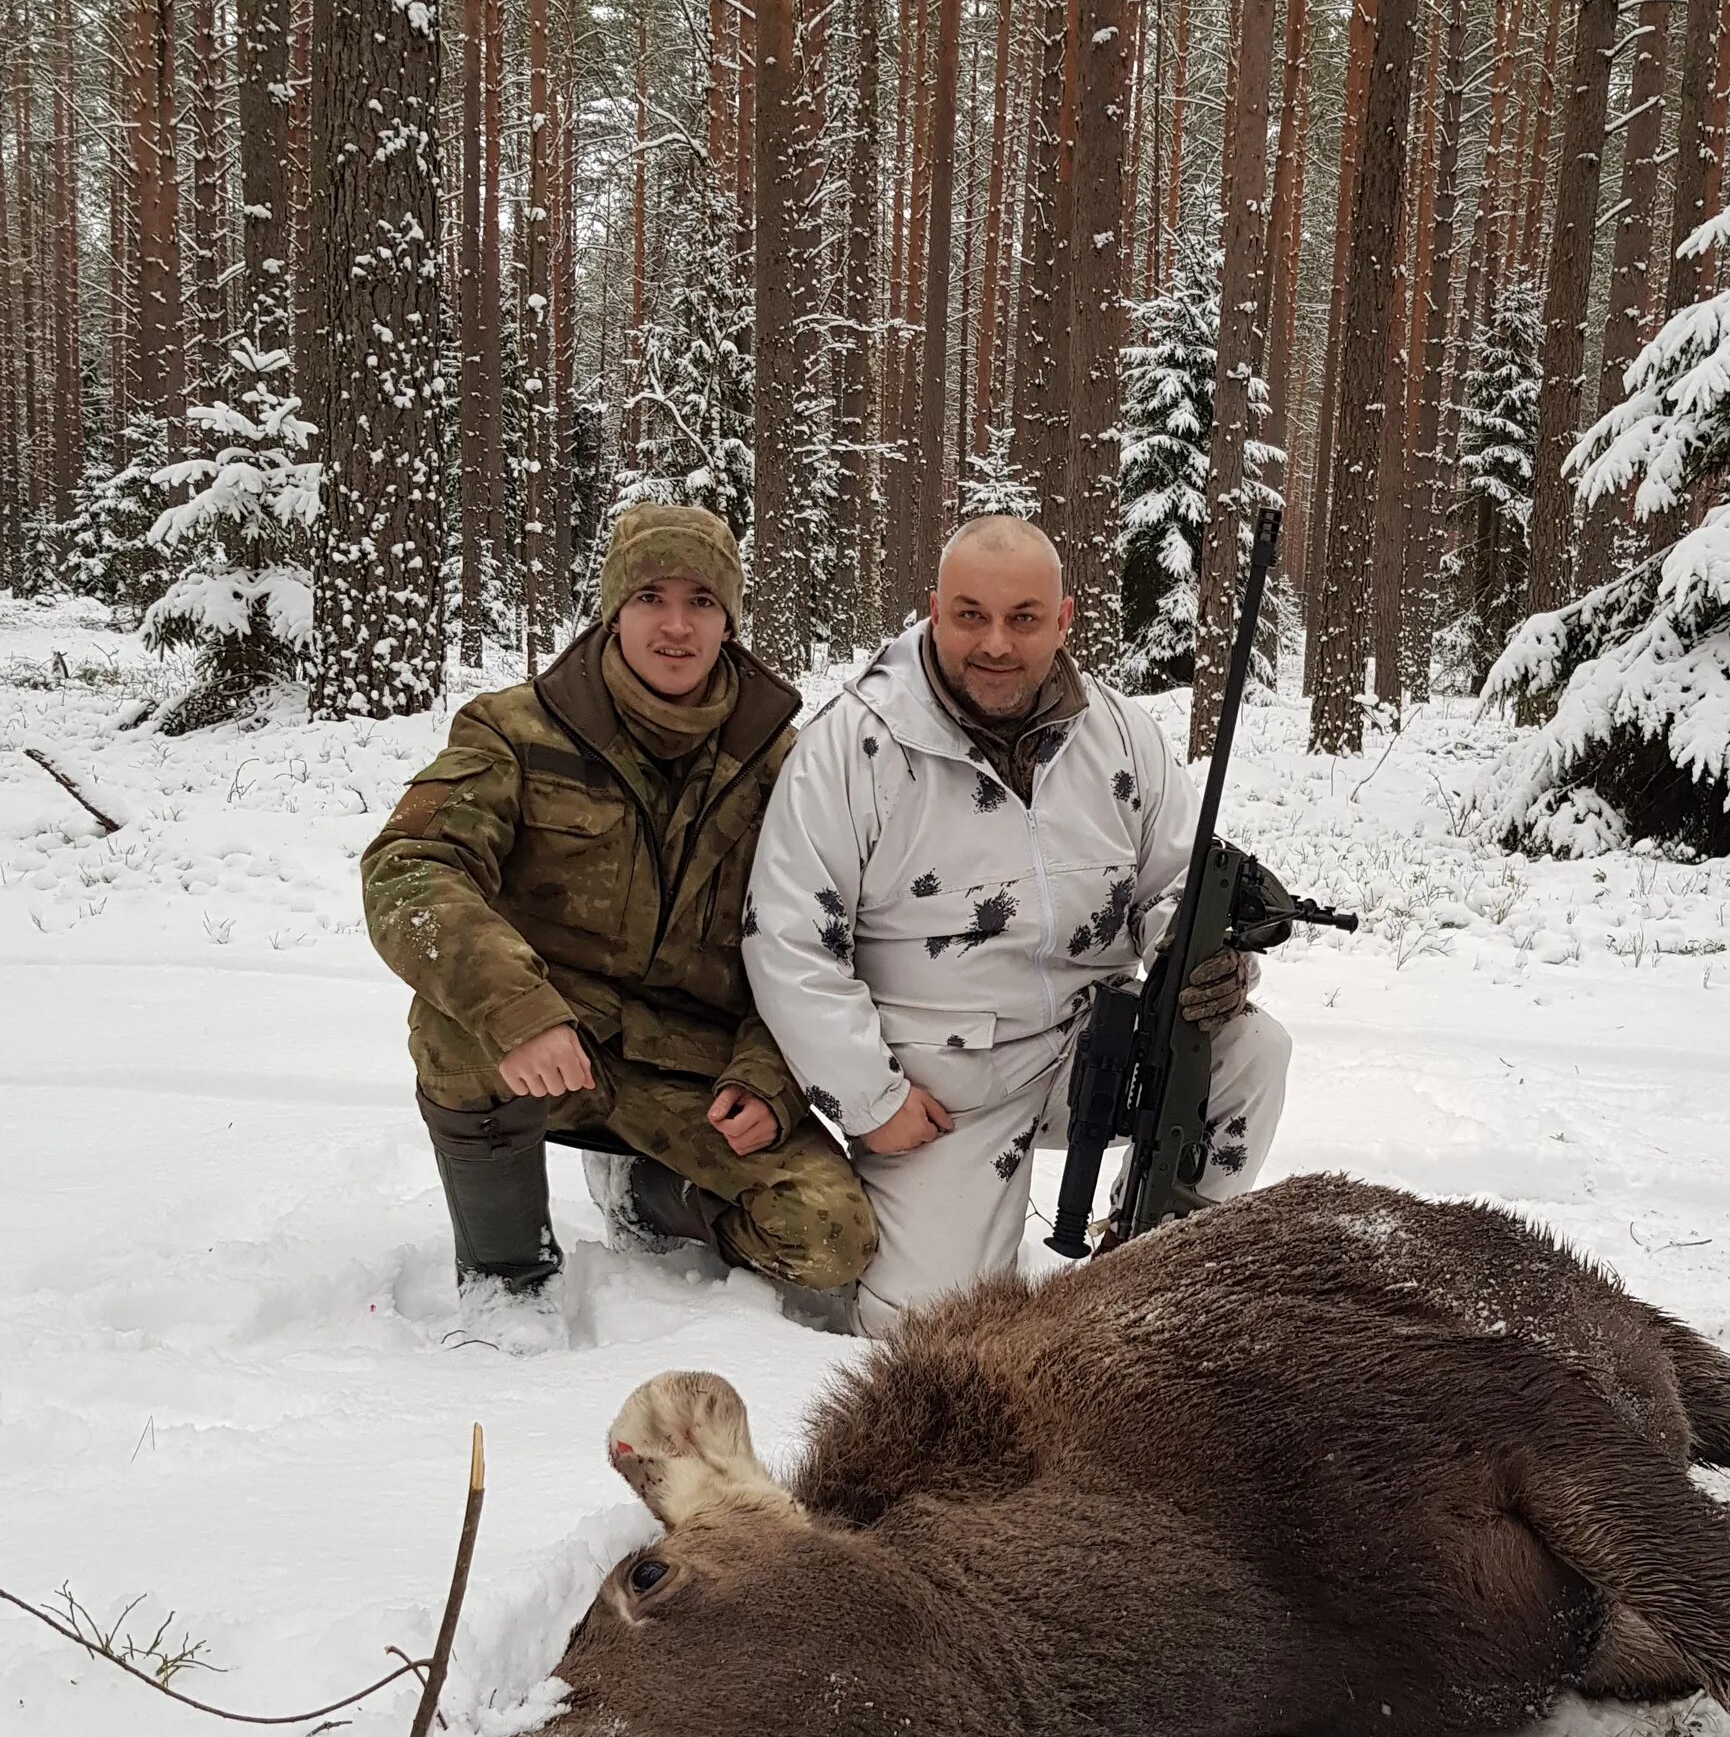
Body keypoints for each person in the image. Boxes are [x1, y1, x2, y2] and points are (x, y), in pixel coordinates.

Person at [745, 511, 1290, 1332]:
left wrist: (1201, 955)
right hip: (938, 1084)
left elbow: (1175, 878)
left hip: (1096, 1047)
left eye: (1024, 618)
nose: (995, 643)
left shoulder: (1119, 736)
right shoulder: (854, 746)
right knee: (930, 1336)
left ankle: (1162, 1253)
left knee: (1253, 1048)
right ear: (934, 608)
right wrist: (870, 1098)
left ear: (1064, 619)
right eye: (971, 615)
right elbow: (786, 939)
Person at [363, 503, 875, 1320]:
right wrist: (520, 1009)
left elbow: (823, 940)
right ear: (613, 608)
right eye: (650, 598)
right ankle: (508, 1280)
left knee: (829, 1239)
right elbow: (409, 869)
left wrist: (769, 1079)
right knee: (456, 1022)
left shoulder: (788, 765)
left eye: (702, 601)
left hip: (695, 1070)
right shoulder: (514, 730)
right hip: (553, 1045)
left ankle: (646, 1196)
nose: (676, 626)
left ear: (730, 619)